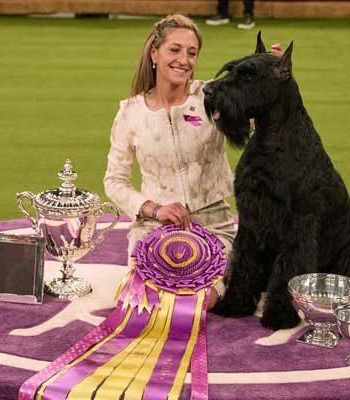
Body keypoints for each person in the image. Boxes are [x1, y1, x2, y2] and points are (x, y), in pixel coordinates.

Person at [103, 14, 281, 308]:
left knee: (196, 301)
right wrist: (155, 209)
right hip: (152, 230)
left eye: (192, 53)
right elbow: (115, 181)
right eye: (175, 50)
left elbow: (257, 120)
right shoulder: (129, 113)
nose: (183, 60)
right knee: (151, 300)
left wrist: (270, 75)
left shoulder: (213, 96)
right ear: (154, 53)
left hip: (214, 228)